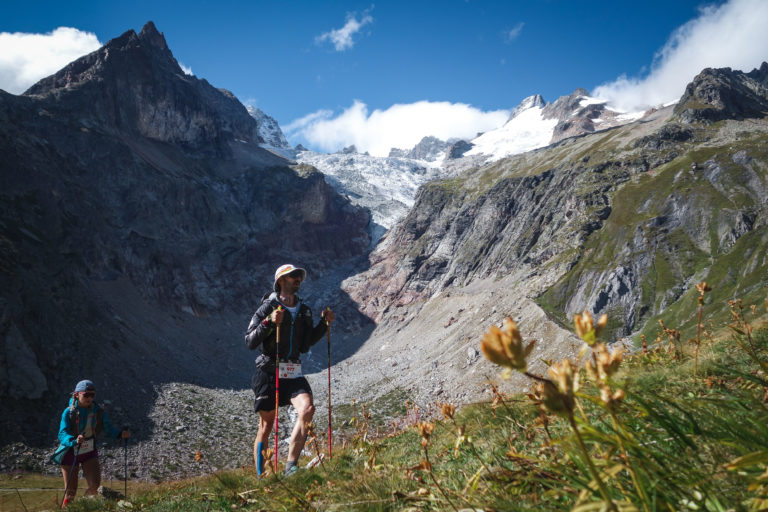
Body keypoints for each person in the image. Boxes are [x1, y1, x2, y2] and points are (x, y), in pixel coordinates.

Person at [245, 264, 335, 476]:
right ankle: (261, 476)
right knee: (266, 426)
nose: (298, 279)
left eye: (299, 276)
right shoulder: (267, 308)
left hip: (292, 370)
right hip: (268, 370)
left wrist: (324, 324)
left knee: (307, 409)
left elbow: (305, 345)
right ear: (280, 281)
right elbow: (249, 340)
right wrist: (269, 322)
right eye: (293, 276)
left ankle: (290, 467)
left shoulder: (304, 311)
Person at [52, 379, 130, 506]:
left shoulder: (98, 411)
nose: (89, 398)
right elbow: (62, 433)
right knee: (70, 492)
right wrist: (74, 440)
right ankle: (70, 508)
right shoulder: (68, 412)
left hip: (89, 450)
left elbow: (108, 428)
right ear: (76, 394)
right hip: (70, 452)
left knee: (95, 486)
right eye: (86, 395)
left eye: (92, 395)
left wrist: (120, 434)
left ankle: (83, 507)